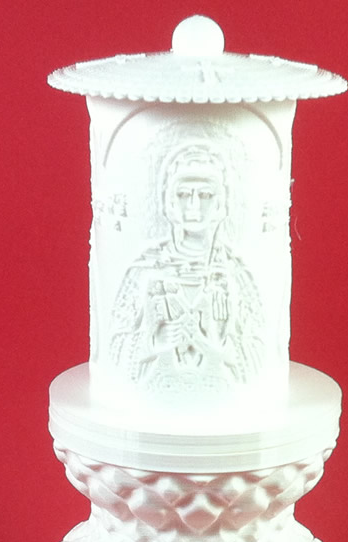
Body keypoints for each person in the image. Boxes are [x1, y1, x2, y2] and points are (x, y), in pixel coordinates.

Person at [109, 144, 264, 392]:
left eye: (205, 195)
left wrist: (220, 343)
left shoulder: (235, 275)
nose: (193, 205)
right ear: (169, 203)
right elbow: (113, 346)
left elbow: (261, 353)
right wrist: (153, 342)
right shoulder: (143, 271)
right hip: (153, 402)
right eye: (182, 194)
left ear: (221, 204)